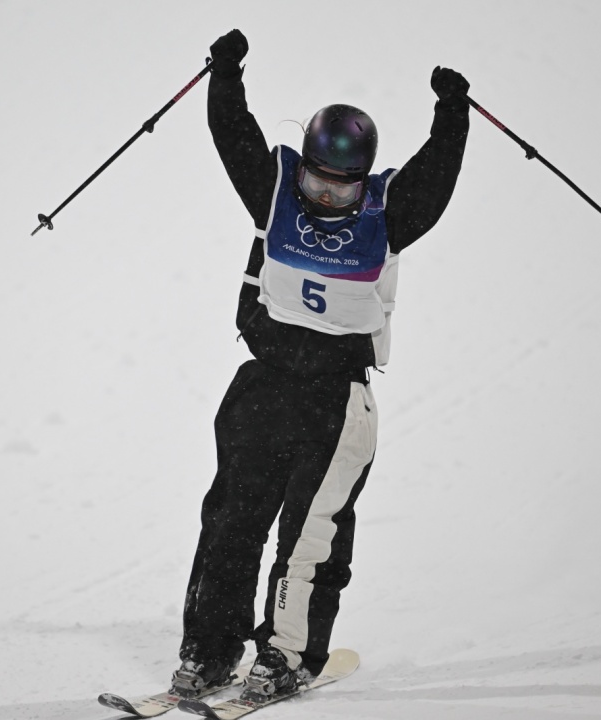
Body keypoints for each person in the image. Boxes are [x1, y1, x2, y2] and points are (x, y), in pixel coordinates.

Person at [170, 29, 470, 702]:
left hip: (338, 399)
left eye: (342, 190)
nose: (326, 200)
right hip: (265, 381)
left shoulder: (390, 213)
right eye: (316, 184)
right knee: (230, 521)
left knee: (310, 534)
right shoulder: (276, 192)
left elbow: (437, 175)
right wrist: (226, 72)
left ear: (361, 181)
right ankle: (208, 652)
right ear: (301, 165)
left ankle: (286, 657)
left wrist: (451, 115)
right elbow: (234, 134)